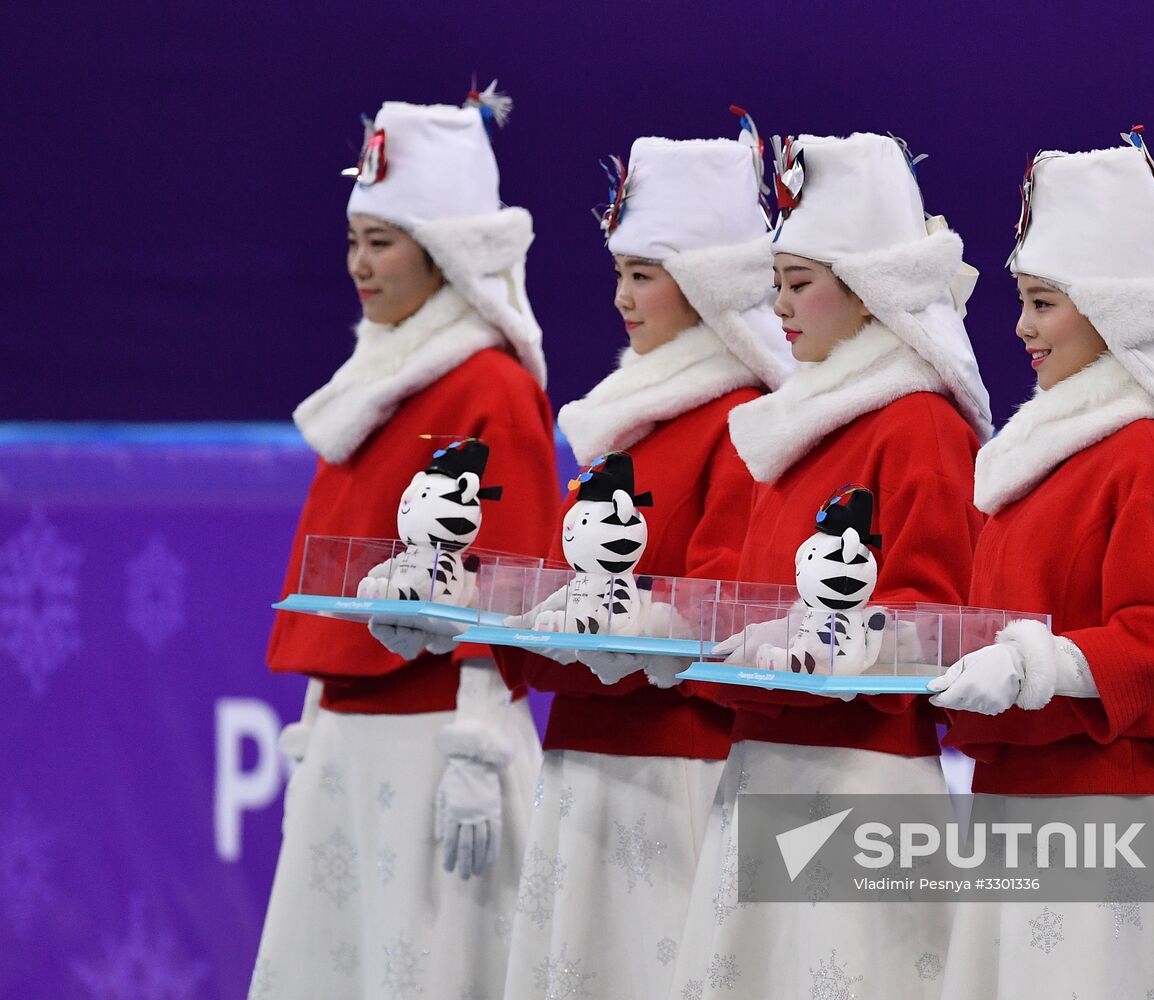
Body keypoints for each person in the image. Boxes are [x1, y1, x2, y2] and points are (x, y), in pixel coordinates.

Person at [668, 131, 991, 999]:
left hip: (863, 778)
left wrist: (809, 642)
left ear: (870, 289)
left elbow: (931, 619)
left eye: (799, 283)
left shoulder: (920, 426)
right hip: (764, 762)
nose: (778, 306)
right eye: (774, 283)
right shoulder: (796, 420)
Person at [251, 93, 559, 999]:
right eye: (355, 242)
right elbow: (334, 568)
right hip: (351, 741)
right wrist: (315, 720)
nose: (359, 265)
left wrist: (477, 744)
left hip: (438, 742)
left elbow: (510, 570)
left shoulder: (492, 387)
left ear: (445, 251)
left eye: (381, 242)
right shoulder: (372, 381)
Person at [931, 128, 1154, 1000]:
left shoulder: (1140, 457)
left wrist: (1030, 666)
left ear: (1110, 308)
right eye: (1023, 301)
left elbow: (1152, 638)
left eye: (1043, 302)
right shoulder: (1030, 455)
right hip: (1010, 803)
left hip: (1093, 812)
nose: (1021, 327)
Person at [497, 122, 792, 1000]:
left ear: (703, 285)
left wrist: (605, 626)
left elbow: (721, 607)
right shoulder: (626, 415)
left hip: (674, 776)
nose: (621, 299)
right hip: (583, 761)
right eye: (619, 273)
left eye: (642, 275)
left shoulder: (740, 416)